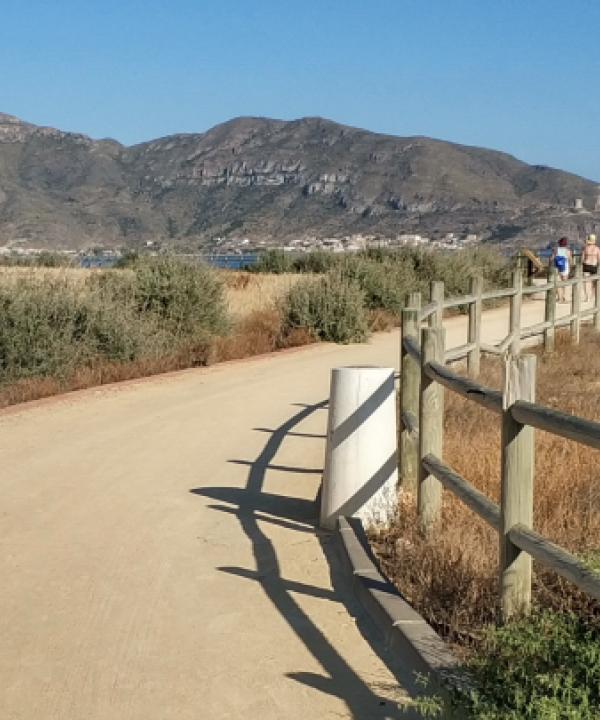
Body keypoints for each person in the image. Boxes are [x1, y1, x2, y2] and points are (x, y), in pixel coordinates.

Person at [551, 237, 572, 302]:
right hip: (565, 267)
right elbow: (570, 260)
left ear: (559, 243)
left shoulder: (556, 250)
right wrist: (571, 266)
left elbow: (551, 259)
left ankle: (559, 298)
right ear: (566, 244)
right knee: (565, 283)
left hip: (557, 267)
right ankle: (564, 297)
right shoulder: (568, 251)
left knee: (558, 283)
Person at [582, 233, 600, 301]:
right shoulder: (597, 249)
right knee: (594, 282)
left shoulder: (586, 248)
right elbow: (599, 259)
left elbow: (582, 259)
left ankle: (587, 297)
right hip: (594, 266)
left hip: (586, 265)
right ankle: (592, 296)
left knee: (586, 282)